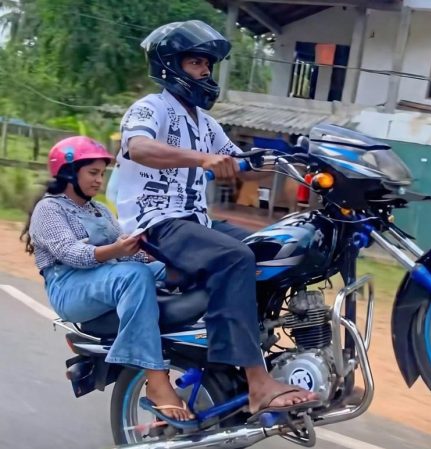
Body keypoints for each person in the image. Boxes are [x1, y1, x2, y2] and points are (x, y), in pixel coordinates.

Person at [116, 20, 319, 420]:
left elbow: (241, 166)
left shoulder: (206, 124)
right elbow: (138, 148)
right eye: (196, 62)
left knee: (273, 250)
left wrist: (296, 159)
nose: (206, 71)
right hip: (156, 222)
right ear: (170, 65)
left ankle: (272, 357)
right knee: (235, 257)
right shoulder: (150, 108)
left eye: (208, 64)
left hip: (196, 223)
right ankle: (258, 384)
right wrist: (203, 159)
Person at [21, 136, 194, 422]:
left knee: (180, 269)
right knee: (134, 276)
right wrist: (118, 250)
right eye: (93, 173)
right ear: (68, 172)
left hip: (108, 275)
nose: (99, 180)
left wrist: (155, 254)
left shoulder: (99, 210)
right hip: (69, 286)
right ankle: (155, 378)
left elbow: (128, 255)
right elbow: (72, 254)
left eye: (102, 173)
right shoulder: (49, 209)